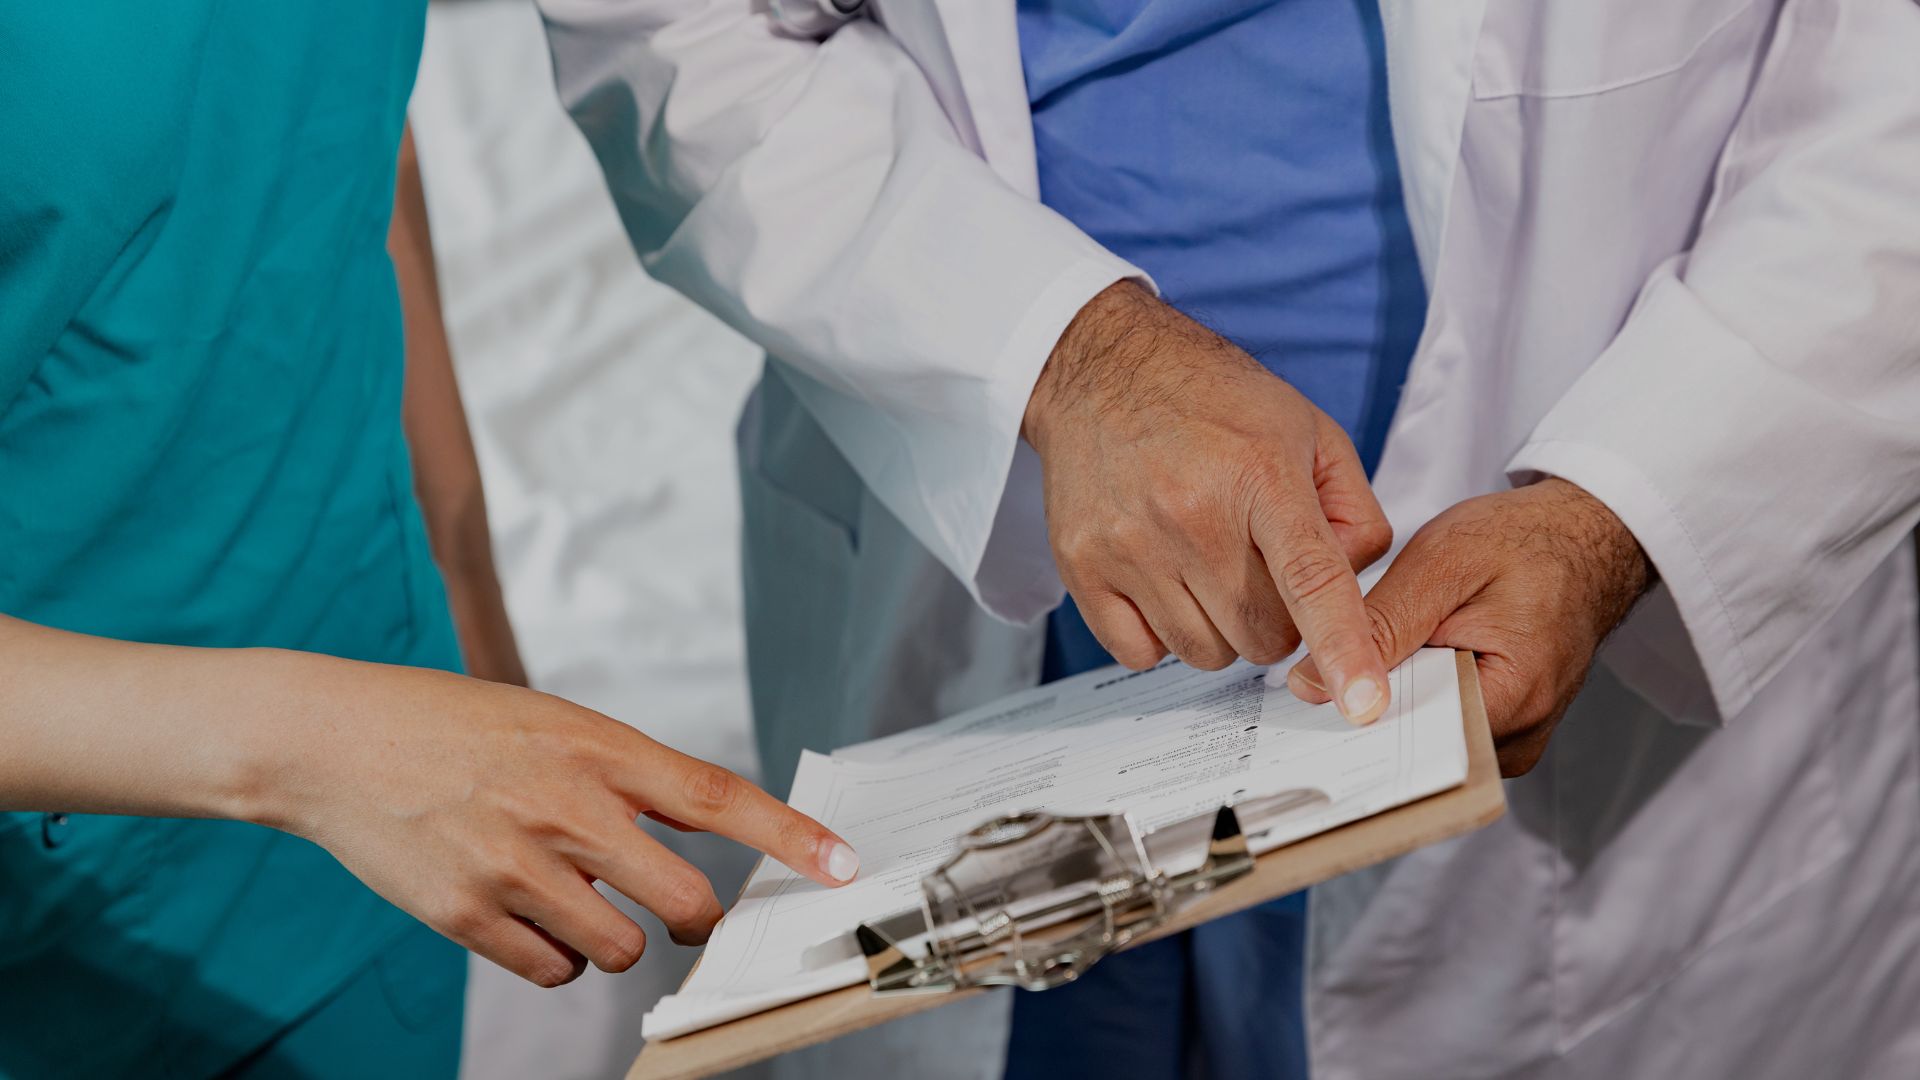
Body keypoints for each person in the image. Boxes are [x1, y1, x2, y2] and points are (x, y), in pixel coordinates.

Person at [544, 0, 1920, 1076]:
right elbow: (670, 33)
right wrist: (1069, 360)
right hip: (999, 554)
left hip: (1589, 555)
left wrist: (1618, 513)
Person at [0, 6, 856, 1076]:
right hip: (81, 889)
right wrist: (315, 748)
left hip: (366, 785)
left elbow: (349, 137)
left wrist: (465, 591)